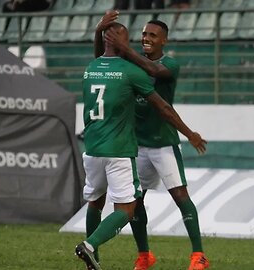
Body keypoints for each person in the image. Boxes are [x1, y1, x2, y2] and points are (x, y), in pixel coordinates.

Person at [76, 21, 207, 270]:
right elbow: (106, 63)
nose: (147, 38)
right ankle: (144, 255)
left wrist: (189, 134)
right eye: (144, 33)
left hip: (162, 141)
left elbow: (154, 72)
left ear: (164, 41)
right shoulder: (129, 63)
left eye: (153, 35)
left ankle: (199, 255)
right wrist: (116, 47)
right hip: (135, 144)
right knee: (134, 202)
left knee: (180, 196)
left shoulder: (168, 64)